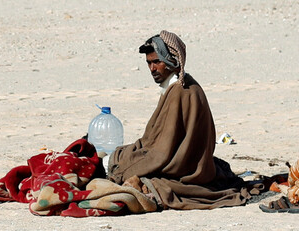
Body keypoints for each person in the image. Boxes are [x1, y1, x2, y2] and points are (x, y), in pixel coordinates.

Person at [105, 30, 252, 210]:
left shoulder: (181, 92)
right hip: (185, 161)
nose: (152, 69)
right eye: (149, 63)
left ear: (171, 60)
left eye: (157, 62)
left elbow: (162, 152)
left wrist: (124, 168)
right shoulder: (180, 86)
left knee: (115, 163)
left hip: (184, 169)